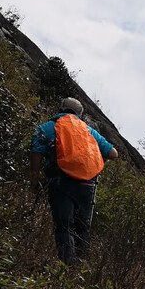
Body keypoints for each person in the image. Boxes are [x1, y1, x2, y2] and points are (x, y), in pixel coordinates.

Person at [29, 97, 118, 264]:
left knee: (64, 226)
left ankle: (67, 267)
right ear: (80, 114)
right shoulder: (88, 131)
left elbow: (36, 151)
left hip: (61, 181)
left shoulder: (48, 127)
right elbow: (113, 153)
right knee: (82, 228)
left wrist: (34, 180)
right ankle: (80, 269)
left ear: (60, 108)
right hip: (88, 185)